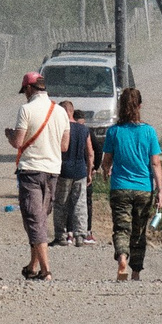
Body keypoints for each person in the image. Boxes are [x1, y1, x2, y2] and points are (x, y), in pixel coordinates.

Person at [2, 70, 70, 280]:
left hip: (31, 170)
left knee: (34, 221)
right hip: (53, 171)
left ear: (29, 89)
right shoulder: (60, 112)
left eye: (25, 90)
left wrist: (9, 134)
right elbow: (64, 146)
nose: (24, 94)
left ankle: (46, 270)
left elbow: (18, 142)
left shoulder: (26, 109)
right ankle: (32, 266)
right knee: (40, 219)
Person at [100, 86, 162, 281]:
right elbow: (155, 162)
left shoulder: (114, 132)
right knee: (138, 231)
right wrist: (160, 190)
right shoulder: (149, 132)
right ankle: (135, 271)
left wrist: (105, 169)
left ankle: (122, 258)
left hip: (120, 187)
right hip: (143, 188)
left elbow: (107, 159)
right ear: (140, 106)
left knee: (121, 228)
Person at [51, 99, 94, 247]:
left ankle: (61, 236)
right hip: (80, 170)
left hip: (63, 171)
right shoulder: (83, 129)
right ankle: (80, 236)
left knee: (60, 204)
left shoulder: (60, 129)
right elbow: (90, 153)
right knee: (80, 204)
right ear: (72, 111)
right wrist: (89, 172)